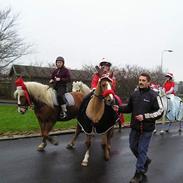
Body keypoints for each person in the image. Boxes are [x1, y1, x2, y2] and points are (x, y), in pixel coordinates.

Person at [113, 73, 164, 183]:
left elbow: (160, 111)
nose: (141, 82)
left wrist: (145, 117)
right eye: (140, 80)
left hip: (147, 129)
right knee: (132, 146)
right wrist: (119, 109)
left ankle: (138, 173)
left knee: (142, 149)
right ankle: (145, 161)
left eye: (143, 80)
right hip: (135, 127)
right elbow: (129, 108)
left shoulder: (154, 95)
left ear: (148, 82)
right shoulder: (135, 94)